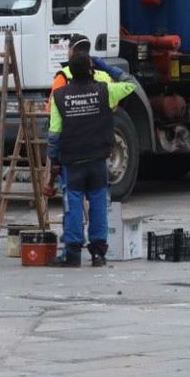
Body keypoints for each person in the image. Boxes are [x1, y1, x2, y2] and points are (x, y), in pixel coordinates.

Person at [48, 53, 137, 267]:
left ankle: (72, 254)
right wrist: (106, 67)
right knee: (98, 205)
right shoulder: (104, 91)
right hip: (98, 160)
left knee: (73, 205)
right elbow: (130, 83)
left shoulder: (59, 97)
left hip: (72, 162)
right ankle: (98, 254)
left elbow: (54, 135)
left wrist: (54, 162)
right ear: (91, 69)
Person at [50, 35, 127, 92]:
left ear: (72, 50)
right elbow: (113, 105)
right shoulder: (104, 76)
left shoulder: (63, 75)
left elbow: (53, 104)